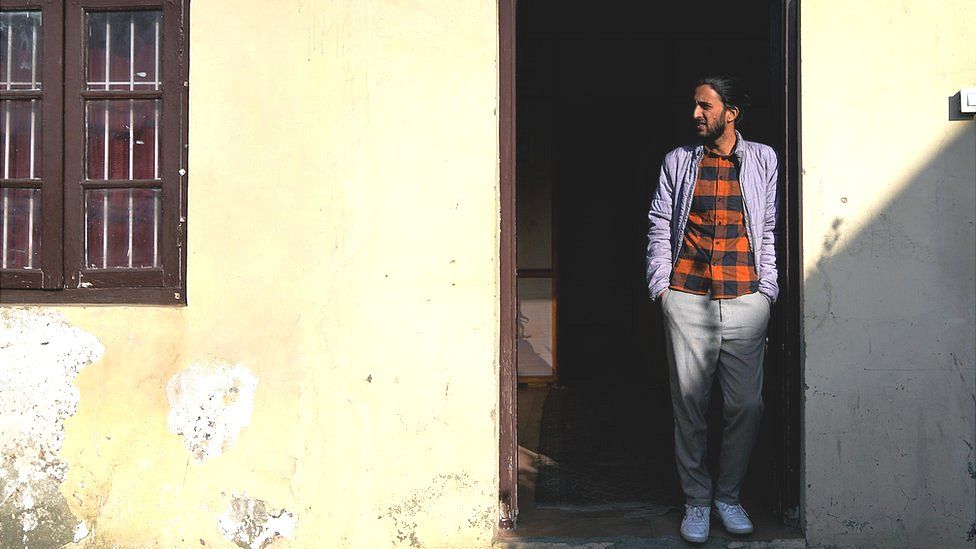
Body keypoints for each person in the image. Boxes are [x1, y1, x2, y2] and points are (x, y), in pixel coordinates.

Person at [646, 76, 779, 544]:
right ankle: (698, 502)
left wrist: (768, 290)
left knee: (746, 405)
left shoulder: (763, 158)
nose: (695, 115)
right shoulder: (679, 161)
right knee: (690, 406)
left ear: (731, 112)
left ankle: (728, 495)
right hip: (687, 295)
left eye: (705, 106)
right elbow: (661, 220)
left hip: (746, 296)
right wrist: (661, 286)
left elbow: (767, 227)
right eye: (694, 106)